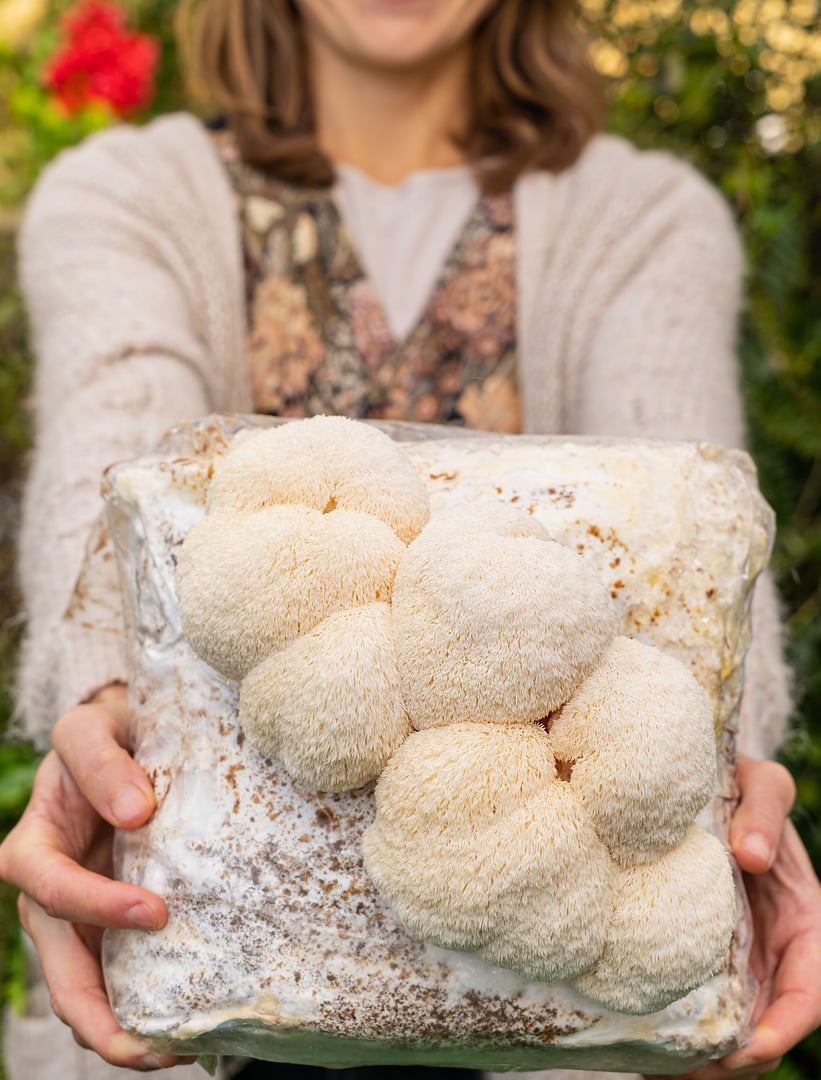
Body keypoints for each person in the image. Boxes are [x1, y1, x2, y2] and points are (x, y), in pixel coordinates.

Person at [1, 0, 820, 1078]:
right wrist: (106, 717)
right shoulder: (126, 197)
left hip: (559, 996)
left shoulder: (646, 218)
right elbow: (102, 508)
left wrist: (708, 783)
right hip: (202, 972)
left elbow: (697, 574)